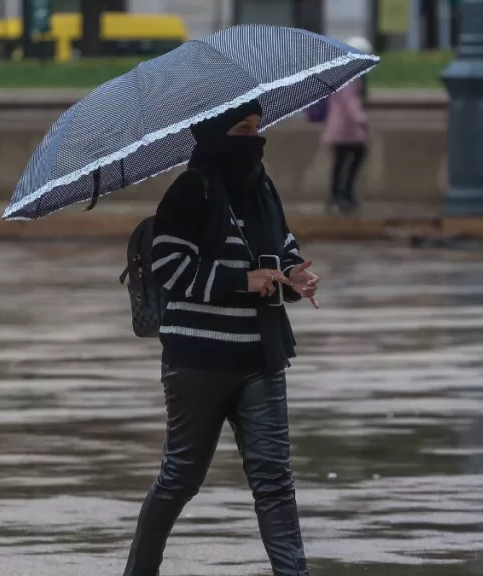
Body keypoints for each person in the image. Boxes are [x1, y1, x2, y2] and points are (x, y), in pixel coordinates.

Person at [123, 100, 320, 576]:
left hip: (262, 354)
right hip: (199, 361)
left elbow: (281, 241)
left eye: (257, 128)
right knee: (179, 478)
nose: (254, 139)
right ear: (214, 135)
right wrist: (242, 280)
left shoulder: (262, 188)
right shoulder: (190, 190)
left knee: (274, 481)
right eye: (242, 129)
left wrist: (293, 273)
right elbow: (170, 268)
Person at [322, 36, 372, 215]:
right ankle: (342, 195)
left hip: (342, 126)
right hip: (346, 127)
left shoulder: (342, 70)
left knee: (342, 160)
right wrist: (361, 119)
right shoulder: (350, 73)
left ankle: (340, 195)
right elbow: (351, 101)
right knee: (351, 157)